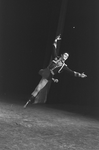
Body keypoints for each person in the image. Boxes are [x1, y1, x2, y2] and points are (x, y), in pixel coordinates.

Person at [24, 35, 87, 108]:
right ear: (62, 55)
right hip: (44, 71)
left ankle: (28, 101)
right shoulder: (56, 57)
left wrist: (80, 75)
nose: (65, 56)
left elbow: (71, 72)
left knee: (38, 88)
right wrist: (56, 40)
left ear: (66, 59)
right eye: (65, 55)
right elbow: (53, 48)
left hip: (47, 76)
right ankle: (29, 99)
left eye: (67, 56)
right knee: (38, 72)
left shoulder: (64, 67)